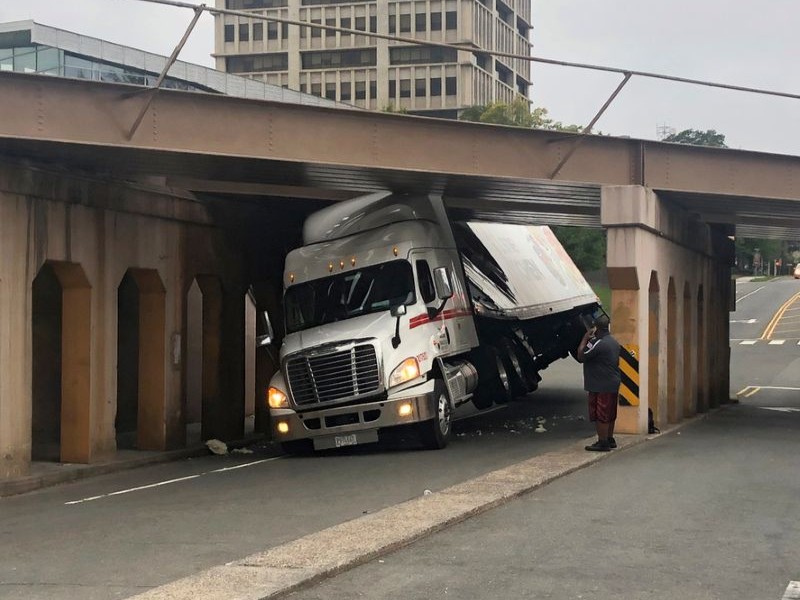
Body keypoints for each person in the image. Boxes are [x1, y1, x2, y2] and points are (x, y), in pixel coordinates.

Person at [576, 314, 621, 452]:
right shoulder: (613, 342)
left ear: (596, 328)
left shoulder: (599, 344)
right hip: (611, 382)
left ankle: (602, 442)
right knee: (610, 413)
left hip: (600, 384)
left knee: (601, 414)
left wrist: (584, 338)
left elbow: (581, 355)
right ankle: (609, 438)